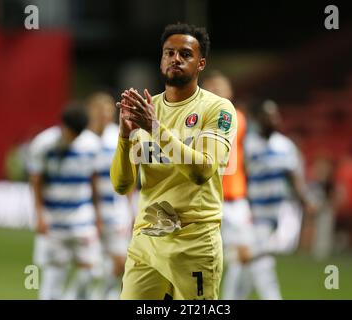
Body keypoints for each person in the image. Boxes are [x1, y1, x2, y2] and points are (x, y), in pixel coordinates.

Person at [110, 23, 237, 300]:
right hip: (148, 236)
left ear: (201, 63)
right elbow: (122, 185)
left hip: (193, 241)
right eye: (169, 52)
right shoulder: (146, 108)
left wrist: (155, 130)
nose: (175, 59)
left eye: (185, 54)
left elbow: (202, 170)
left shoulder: (217, 109)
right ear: (161, 58)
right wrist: (124, 137)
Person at [233, 99, 313, 300]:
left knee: (246, 263)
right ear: (259, 119)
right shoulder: (247, 145)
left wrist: (306, 200)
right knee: (260, 260)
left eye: (275, 115)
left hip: (276, 215)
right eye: (268, 116)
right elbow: (240, 177)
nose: (273, 120)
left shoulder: (285, 146)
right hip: (252, 214)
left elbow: (294, 177)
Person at [28, 104, 102, 300]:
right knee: (53, 275)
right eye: (71, 133)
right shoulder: (44, 144)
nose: (74, 137)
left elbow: (94, 180)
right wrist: (39, 215)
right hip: (54, 221)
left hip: (82, 218)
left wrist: (98, 215)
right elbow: (36, 181)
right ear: (63, 126)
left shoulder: (91, 145)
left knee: (91, 270)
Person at [200, 70, 253, 300]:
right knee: (204, 259)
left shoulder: (237, 118)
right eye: (212, 88)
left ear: (229, 92)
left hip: (234, 200)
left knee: (245, 257)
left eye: (221, 88)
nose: (217, 92)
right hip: (206, 200)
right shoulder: (195, 118)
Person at [85, 92, 133, 299]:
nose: (103, 114)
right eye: (98, 109)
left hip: (115, 210)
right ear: (90, 111)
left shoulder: (118, 136)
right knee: (88, 265)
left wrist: (132, 209)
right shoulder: (83, 139)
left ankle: (100, 295)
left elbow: (129, 172)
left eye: (107, 110)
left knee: (120, 262)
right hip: (86, 210)